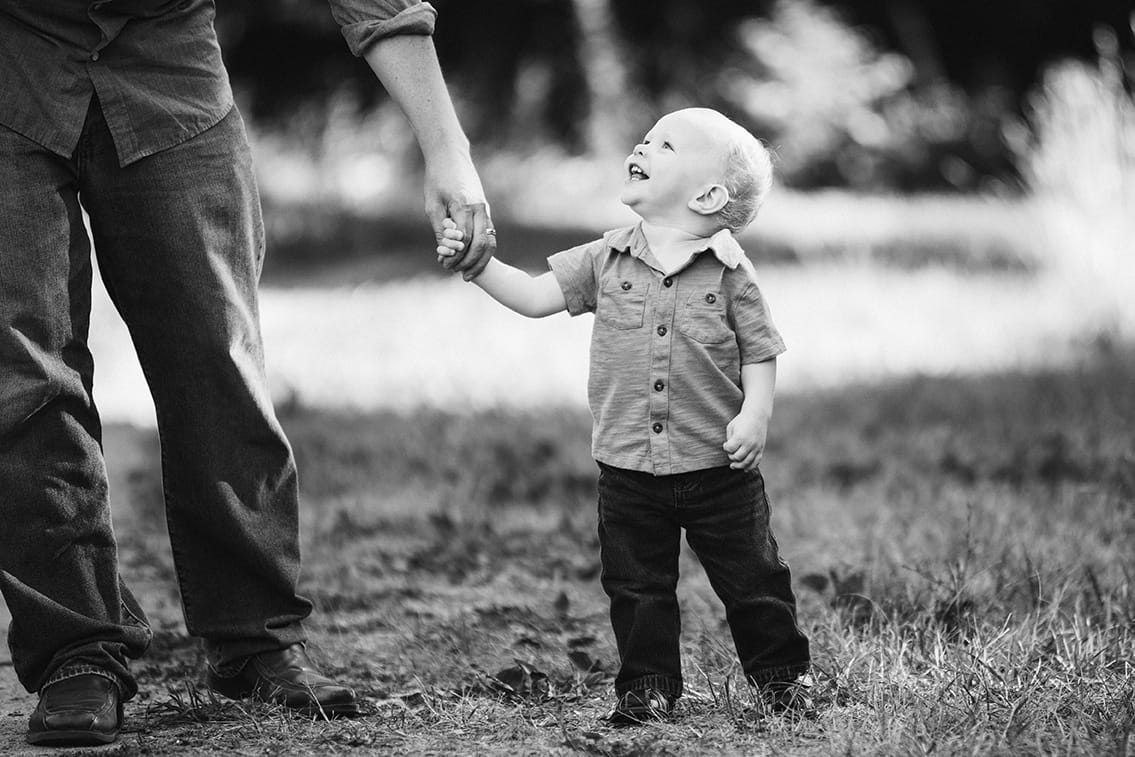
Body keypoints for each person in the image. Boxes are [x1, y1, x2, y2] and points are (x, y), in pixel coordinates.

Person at [0, 0, 494, 747]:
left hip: (168, 65)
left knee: (215, 353)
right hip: (10, 62)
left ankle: (255, 640)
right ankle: (76, 650)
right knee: (23, 376)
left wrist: (446, 148)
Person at [436, 107, 811, 724]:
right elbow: (533, 298)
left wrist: (757, 413)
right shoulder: (604, 259)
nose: (641, 145)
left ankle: (781, 681)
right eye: (645, 138)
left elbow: (760, 350)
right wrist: (478, 267)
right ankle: (649, 688)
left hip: (718, 465)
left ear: (708, 193)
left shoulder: (732, 273)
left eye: (664, 145)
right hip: (628, 466)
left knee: (753, 580)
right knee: (637, 589)